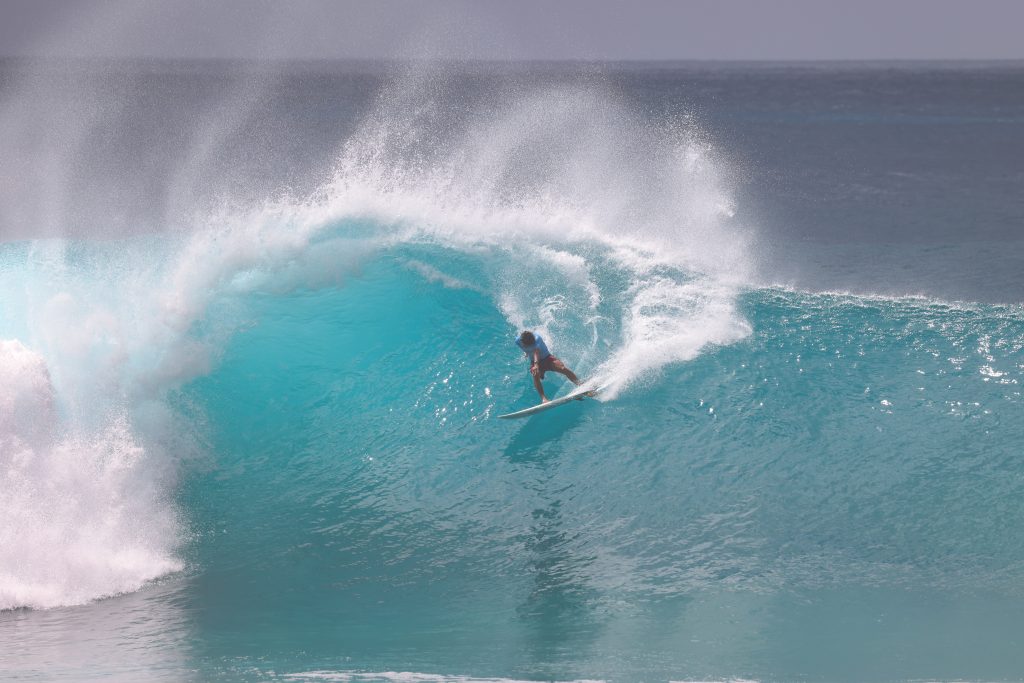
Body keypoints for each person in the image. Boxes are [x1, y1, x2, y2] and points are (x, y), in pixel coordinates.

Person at [515, 330, 583, 403]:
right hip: (535, 362)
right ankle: (544, 399)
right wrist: (526, 353)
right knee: (536, 375)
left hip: (547, 358)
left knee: (563, 368)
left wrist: (536, 365)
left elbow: (536, 353)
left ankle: (580, 385)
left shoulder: (537, 339)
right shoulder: (518, 341)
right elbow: (526, 349)